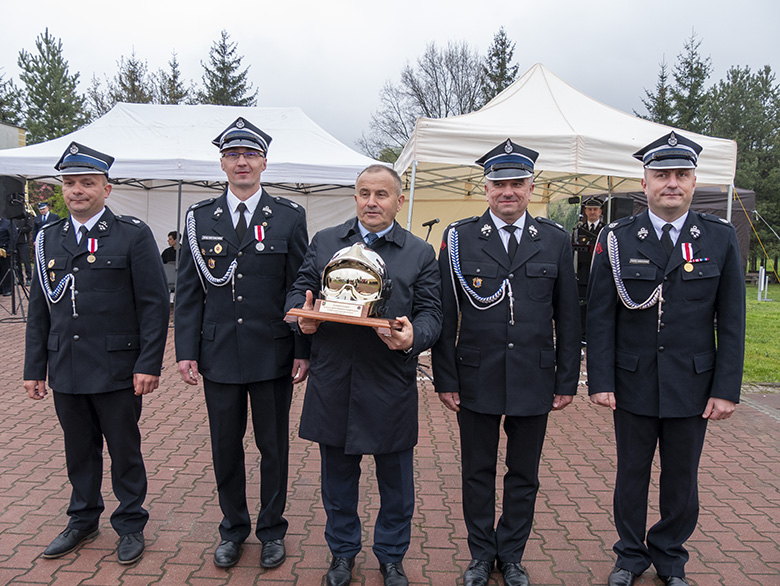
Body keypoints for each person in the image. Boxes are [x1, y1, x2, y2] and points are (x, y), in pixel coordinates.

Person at [586, 132, 746, 586]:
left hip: (692, 384)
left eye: (681, 175)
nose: (671, 183)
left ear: (695, 182)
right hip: (632, 380)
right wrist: (600, 380)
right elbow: (599, 316)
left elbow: (732, 320)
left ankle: (671, 559)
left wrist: (725, 389)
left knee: (681, 479)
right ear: (644, 183)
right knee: (631, 476)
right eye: (662, 175)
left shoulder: (718, 237)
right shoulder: (617, 238)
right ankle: (630, 557)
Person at [431, 139, 581, 586]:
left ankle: (511, 554)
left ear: (532, 188)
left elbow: (569, 316)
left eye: (517, 183)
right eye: (499, 183)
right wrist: (445, 378)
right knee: (477, 471)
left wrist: (567, 380)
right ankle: (481, 554)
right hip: (476, 372)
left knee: (524, 474)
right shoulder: (458, 239)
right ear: (485, 188)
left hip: (535, 375)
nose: (508, 191)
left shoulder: (554, 240)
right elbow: (445, 313)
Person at [285, 164, 442, 586]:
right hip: (334, 380)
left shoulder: (418, 253)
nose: (372, 202)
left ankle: (391, 557)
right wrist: (304, 320)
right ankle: (342, 555)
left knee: (396, 484)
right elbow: (299, 291)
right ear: (354, 197)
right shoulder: (325, 242)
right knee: (337, 482)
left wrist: (413, 338)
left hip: (389, 382)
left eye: (382, 194)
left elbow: (433, 315)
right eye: (364, 193)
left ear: (399, 201)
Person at [23, 142, 170, 564]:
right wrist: (35, 367)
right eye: (69, 184)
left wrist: (148, 364)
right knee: (78, 450)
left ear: (107, 188)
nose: (77, 191)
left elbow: (154, 304)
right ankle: (83, 519)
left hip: (117, 367)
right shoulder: (47, 238)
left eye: (87, 183)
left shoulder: (131, 234)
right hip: (66, 367)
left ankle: (130, 524)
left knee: (124, 450)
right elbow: (39, 308)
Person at [174, 117, 309, 571]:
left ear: (264, 162)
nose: (242, 162)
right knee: (225, 447)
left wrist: (303, 351)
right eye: (233, 155)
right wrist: (186, 350)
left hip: (273, 353)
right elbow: (189, 291)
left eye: (250, 154)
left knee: (274, 447)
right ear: (222, 163)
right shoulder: (198, 219)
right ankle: (233, 529)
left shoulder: (289, 216)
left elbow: (300, 286)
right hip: (218, 355)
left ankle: (272, 531)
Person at [571, 197, 605, 342]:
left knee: (599, 305)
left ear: (600, 211)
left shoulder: (605, 230)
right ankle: (583, 334)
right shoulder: (578, 230)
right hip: (583, 274)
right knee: (582, 307)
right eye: (589, 209)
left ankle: (597, 334)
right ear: (585, 211)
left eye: (595, 210)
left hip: (600, 274)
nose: (592, 212)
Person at [14, 209, 35, 285]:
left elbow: (29, 227)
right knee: (17, 262)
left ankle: (29, 278)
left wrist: (18, 229)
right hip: (15, 241)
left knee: (26, 261)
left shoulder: (27, 215)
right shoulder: (13, 216)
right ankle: (20, 279)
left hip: (23, 241)